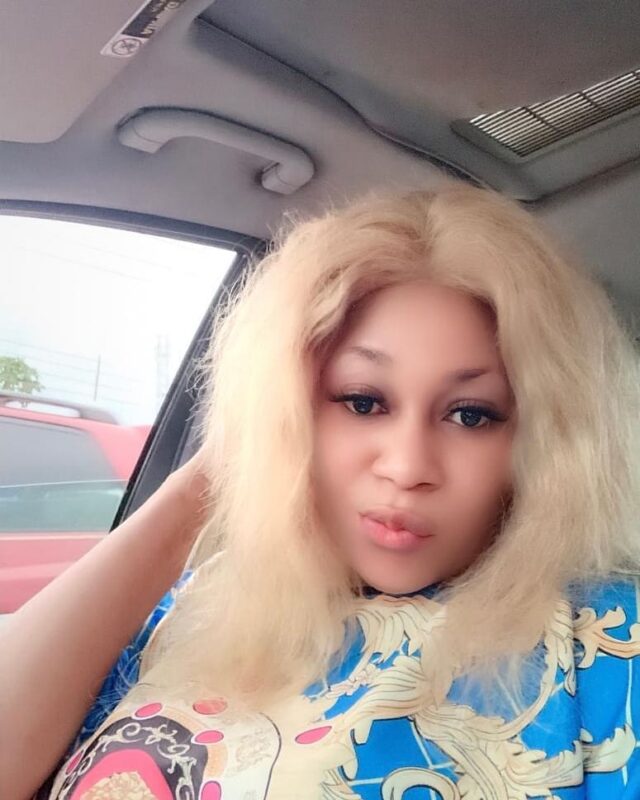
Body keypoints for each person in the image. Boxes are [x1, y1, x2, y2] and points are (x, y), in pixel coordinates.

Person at [2, 183, 639, 799]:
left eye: (471, 414)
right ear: (292, 411)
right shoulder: (201, 599)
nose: (407, 466)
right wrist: (213, 478)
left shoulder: (606, 638)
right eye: (362, 402)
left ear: (546, 441)